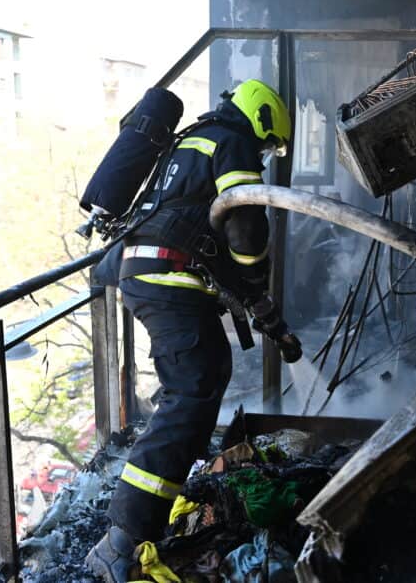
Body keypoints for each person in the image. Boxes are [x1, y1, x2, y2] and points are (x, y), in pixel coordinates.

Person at [86, 79, 302, 582]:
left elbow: (199, 226)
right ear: (262, 119)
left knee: (205, 378)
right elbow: (244, 225)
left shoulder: (191, 141)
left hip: (145, 270)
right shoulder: (233, 142)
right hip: (167, 276)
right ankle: (121, 541)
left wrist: (262, 310)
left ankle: (142, 518)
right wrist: (257, 276)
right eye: (268, 145)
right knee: (190, 391)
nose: (263, 154)